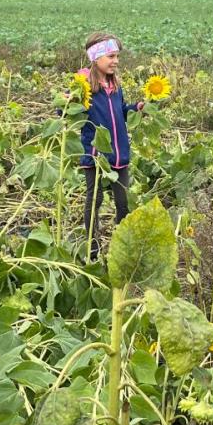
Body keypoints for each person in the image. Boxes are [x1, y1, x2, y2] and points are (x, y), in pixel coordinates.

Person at [77, 32, 144, 260]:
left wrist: (135, 108)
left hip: (119, 153)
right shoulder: (84, 86)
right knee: (94, 200)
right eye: (111, 56)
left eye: (117, 56)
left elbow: (121, 111)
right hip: (95, 154)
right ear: (96, 58)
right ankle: (92, 249)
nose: (116, 61)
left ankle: (120, 249)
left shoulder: (115, 85)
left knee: (123, 202)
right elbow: (66, 111)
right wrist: (71, 97)